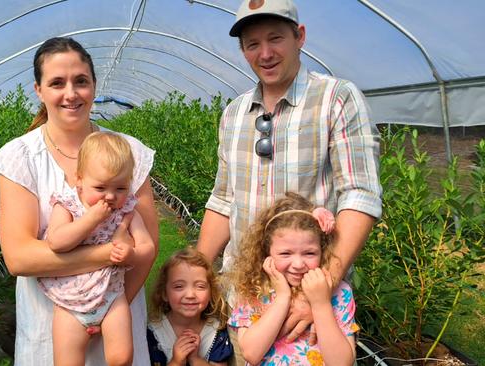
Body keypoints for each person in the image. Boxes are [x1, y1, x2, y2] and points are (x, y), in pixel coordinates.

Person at [196, 0, 381, 347]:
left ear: (300, 37)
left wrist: (320, 291)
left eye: (275, 38)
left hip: (308, 299)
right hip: (246, 299)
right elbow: (224, 199)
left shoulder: (336, 98)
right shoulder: (234, 114)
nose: (265, 53)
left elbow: (360, 195)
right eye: (252, 44)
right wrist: (196, 270)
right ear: (242, 50)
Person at [0, 37, 158, 365]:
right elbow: (20, 258)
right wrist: (110, 254)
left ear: (94, 85)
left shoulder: (128, 151)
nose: (71, 93)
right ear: (39, 90)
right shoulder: (21, 158)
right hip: (50, 325)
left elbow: (148, 249)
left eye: (81, 81)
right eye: (57, 83)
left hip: (117, 320)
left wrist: (107, 308)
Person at [38, 131, 154, 365]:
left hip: (112, 297)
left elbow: (148, 247)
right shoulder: (68, 206)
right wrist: (91, 219)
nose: (110, 196)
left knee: (121, 358)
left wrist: (132, 254)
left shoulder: (127, 211)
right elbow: (57, 242)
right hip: (70, 302)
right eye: (100, 188)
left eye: (120, 188)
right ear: (79, 179)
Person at [227, 192, 359, 365]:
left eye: (309, 253)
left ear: (323, 250)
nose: (298, 264)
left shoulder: (338, 292)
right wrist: (283, 297)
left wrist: (321, 304)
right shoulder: (254, 288)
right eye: (285, 253)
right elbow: (251, 353)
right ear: (267, 252)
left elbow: (342, 363)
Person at [147, 247, 234, 366]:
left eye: (200, 286)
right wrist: (176, 361)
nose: (190, 295)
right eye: (179, 286)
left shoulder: (215, 332)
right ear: (164, 293)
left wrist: (195, 359)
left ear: (211, 293)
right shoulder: (154, 332)